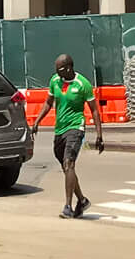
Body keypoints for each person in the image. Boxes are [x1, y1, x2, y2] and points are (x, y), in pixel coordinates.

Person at [26, 54, 103, 218]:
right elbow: (48, 102)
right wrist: (37, 122)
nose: (57, 72)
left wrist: (99, 135)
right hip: (59, 130)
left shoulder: (83, 84)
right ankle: (82, 200)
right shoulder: (55, 80)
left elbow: (94, 110)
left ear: (69, 67)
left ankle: (67, 206)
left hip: (76, 127)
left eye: (59, 69)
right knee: (67, 168)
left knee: (69, 164)